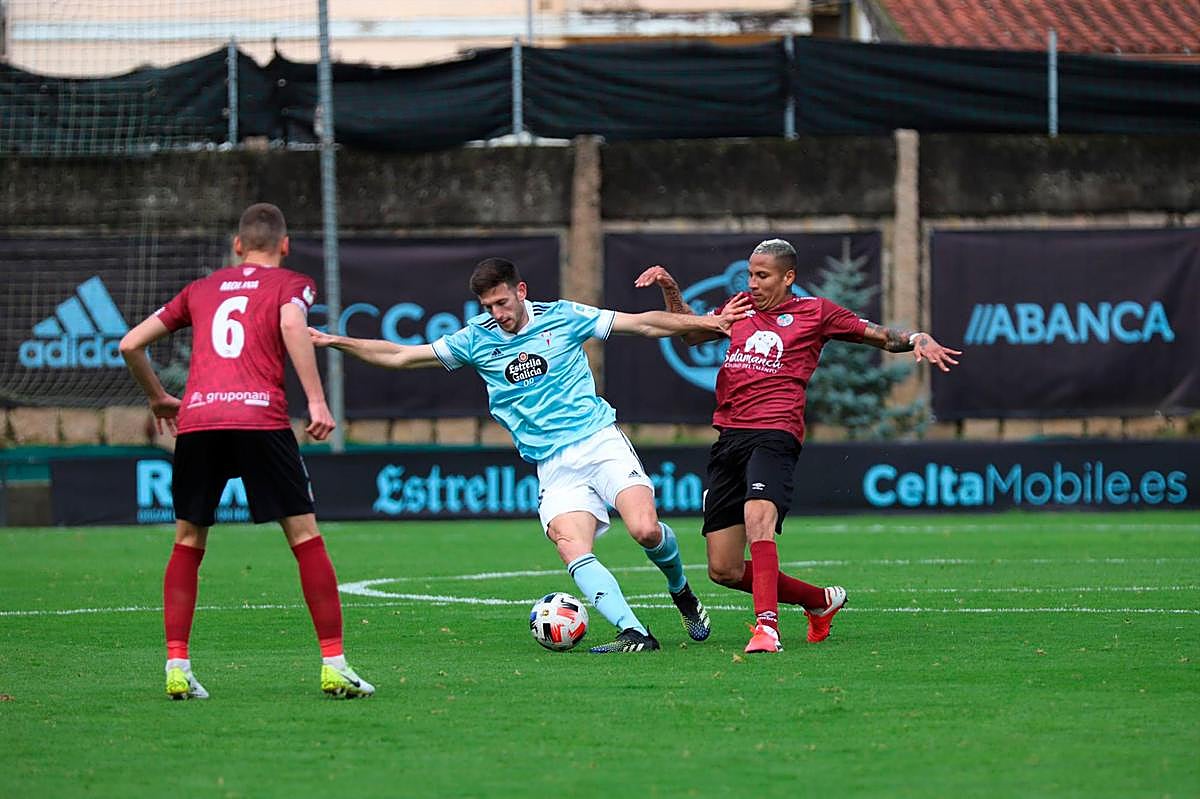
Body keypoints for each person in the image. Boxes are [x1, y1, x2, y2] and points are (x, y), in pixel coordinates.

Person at [310, 257, 751, 653]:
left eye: (502, 302)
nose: (498, 314)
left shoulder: (563, 316)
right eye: (488, 308)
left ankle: (682, 592)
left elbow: (643, 324)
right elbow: (400, 356)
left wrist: (713, 323)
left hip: (599, 440)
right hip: (554, 466)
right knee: (570, 545)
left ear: (521, 291)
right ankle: (635, 632)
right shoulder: (475, 340)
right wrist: (334, 341)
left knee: (644, 530)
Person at [635, 238, 961, 654]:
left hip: (775, 432)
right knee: (724, 569)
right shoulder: (739, 307)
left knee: (758, 517)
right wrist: (670, 288)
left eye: (762, 276)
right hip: (729, 438)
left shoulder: (816, 313)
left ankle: (766, 628)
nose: (752, 283)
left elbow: (880, 336)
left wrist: (916, 337)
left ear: (788, 277)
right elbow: (691, 336)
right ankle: (820, 601)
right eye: (751, 274)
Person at [119, 202, 374, 698]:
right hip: (259, 416)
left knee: (188, 540)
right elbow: (292, 327)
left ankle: (176, 666)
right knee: (303, 535)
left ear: (237, 246)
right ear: (284, 245)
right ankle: (334, 663)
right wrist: (317, 400)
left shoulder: (201, 289)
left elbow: (131, 344)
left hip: (199, 418)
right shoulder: (291, 284)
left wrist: (158, 399)